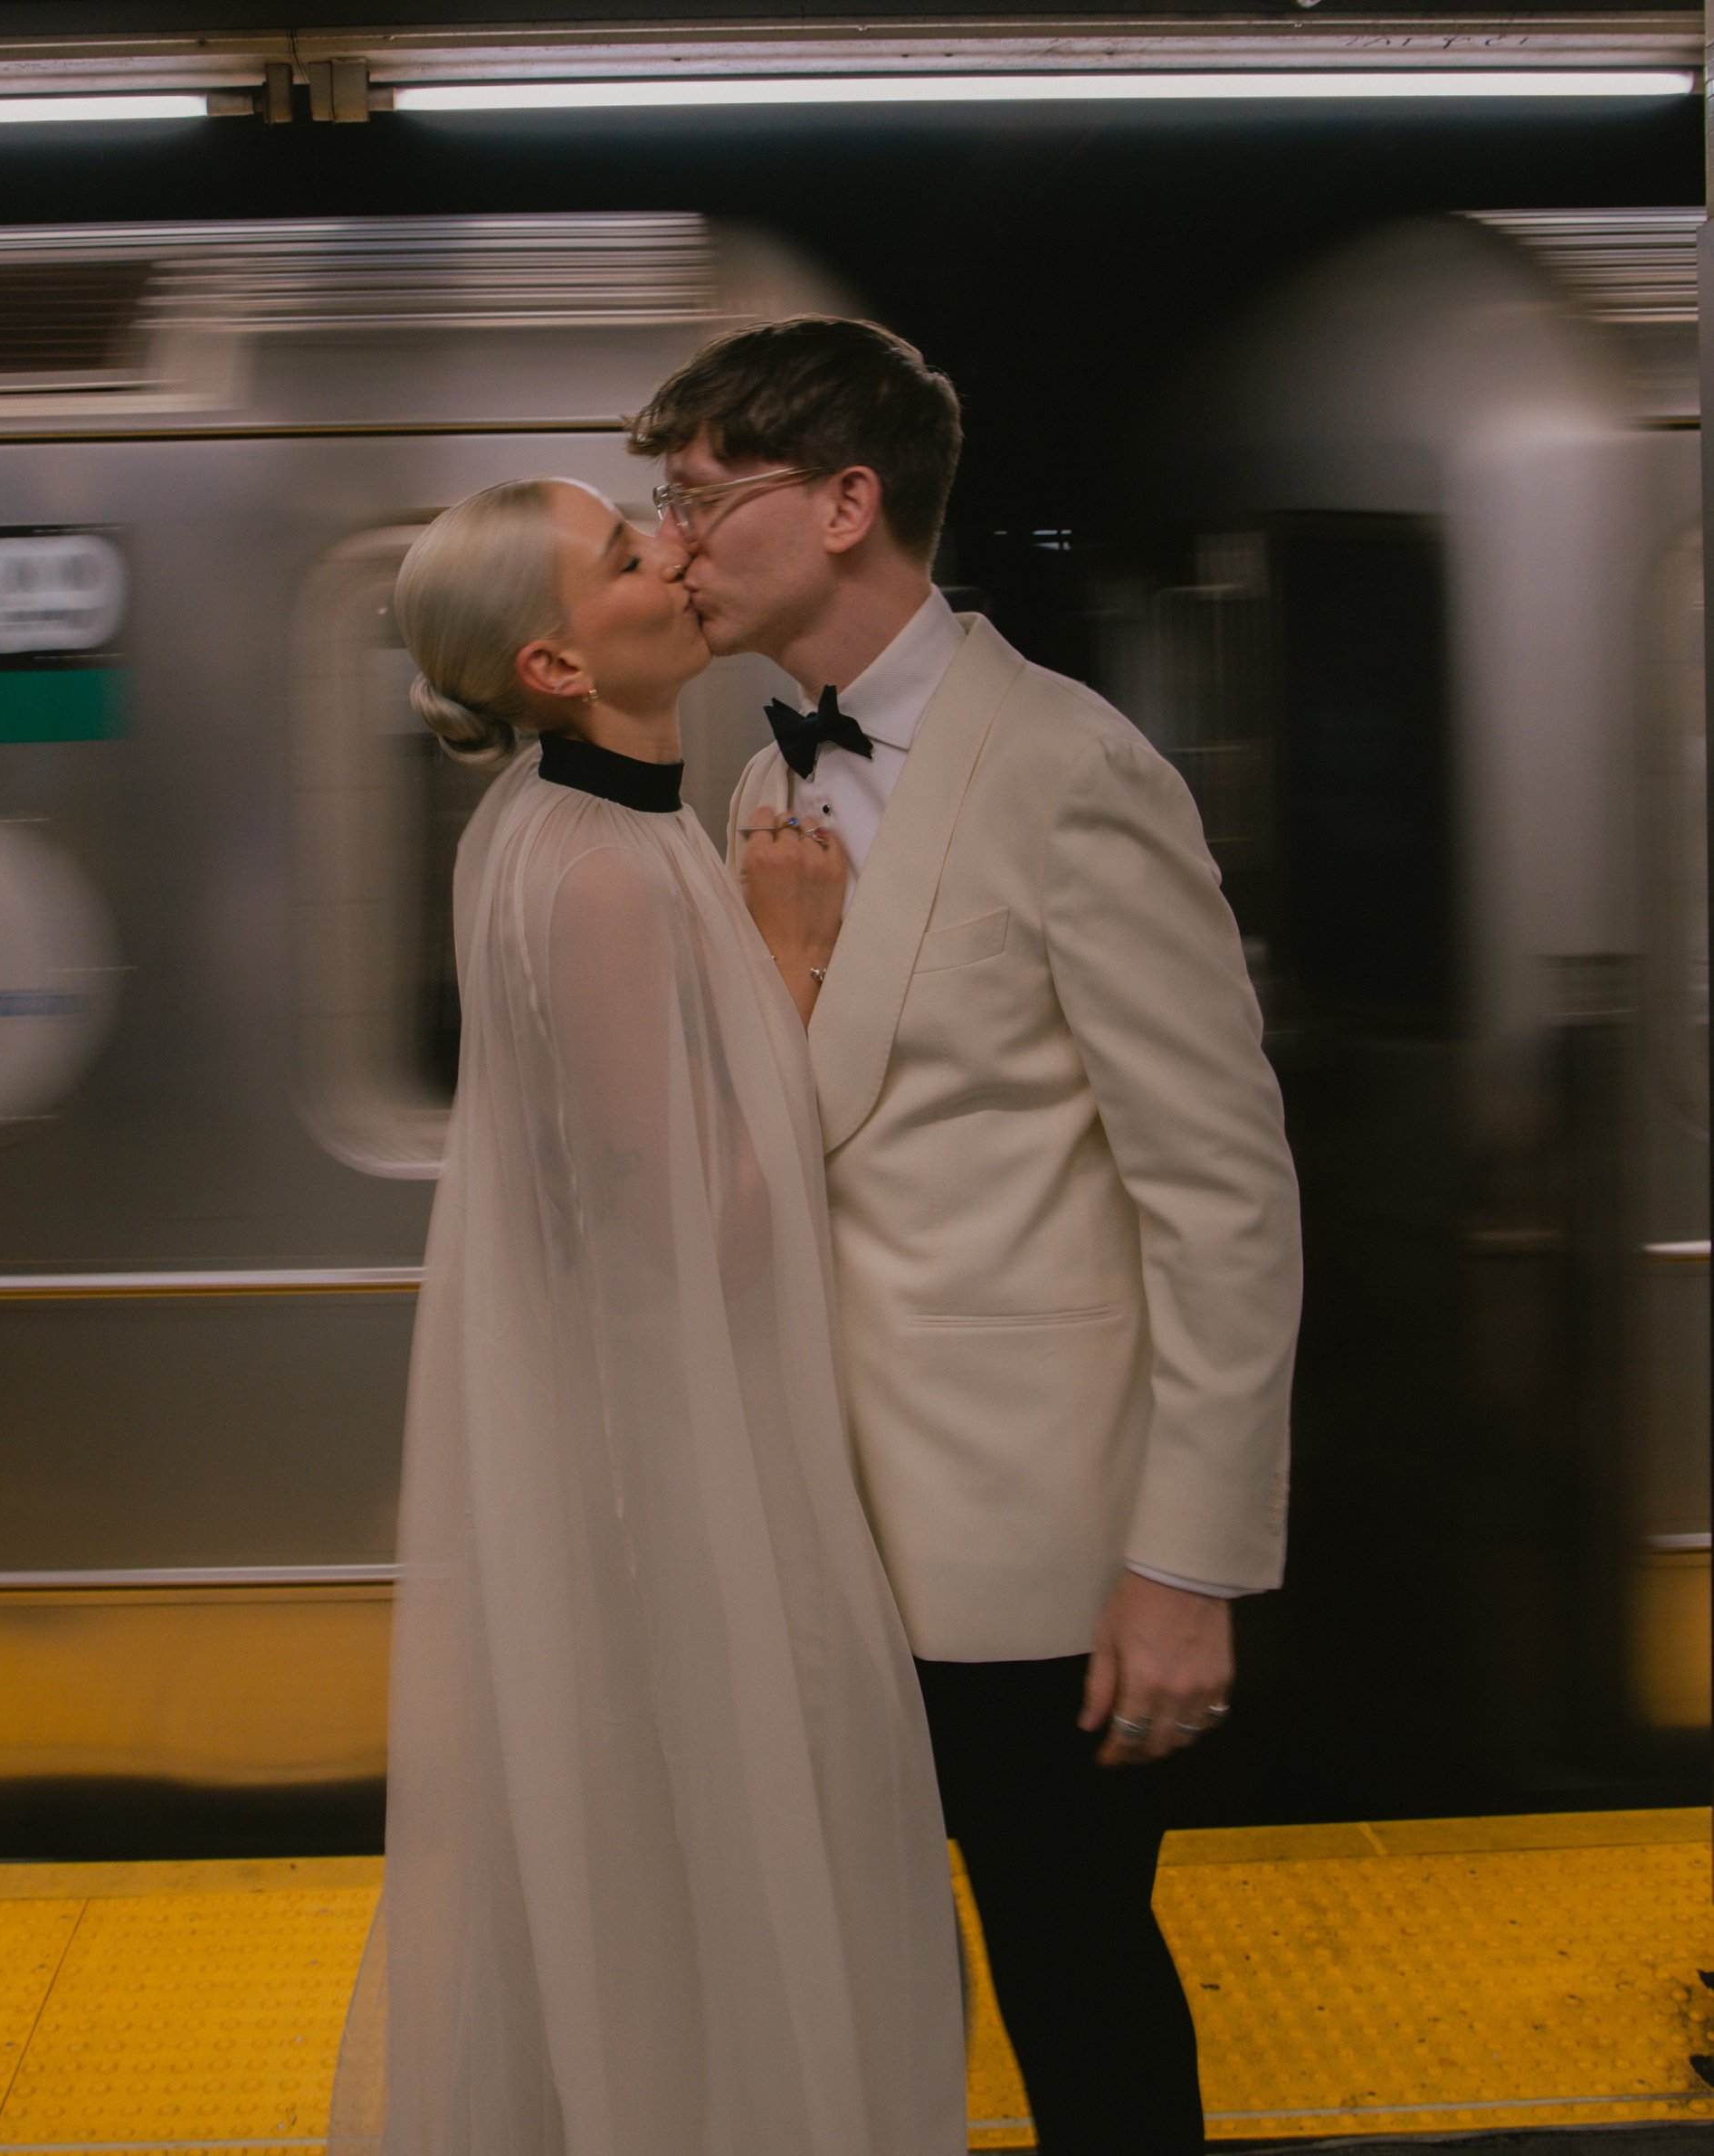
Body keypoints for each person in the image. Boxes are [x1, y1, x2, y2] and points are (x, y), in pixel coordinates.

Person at [629, 318, 1303, 2156]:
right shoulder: (761, 783)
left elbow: (1220, 1185)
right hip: (823, 1539)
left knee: (1073, 1986)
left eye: (697, 498)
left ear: (848, 504)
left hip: (1035, 1562)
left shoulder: (1072, 769)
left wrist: (1187, 1560)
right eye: (660, 504)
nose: (668, 542)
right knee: (857, 1997)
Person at [329, 476, 967, 2156]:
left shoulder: (567, 826)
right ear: (553, 662)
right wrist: (793, 963)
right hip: (681, 1489)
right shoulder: (604, 874)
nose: (676, 554)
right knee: (734, 1890)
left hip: (650, 1462)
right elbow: (695, 1228)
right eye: (629, 555)